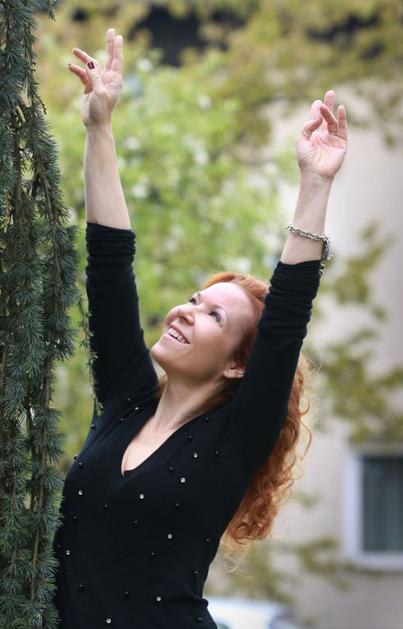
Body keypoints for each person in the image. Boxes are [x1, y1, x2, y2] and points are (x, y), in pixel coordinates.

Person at [53, 27, 348, 628]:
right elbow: (109, 267)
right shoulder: (126, 400)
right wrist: (99, 128)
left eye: (215, 315)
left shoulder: (234, 438)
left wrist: (315, 183)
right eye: (193, 299)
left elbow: (286, 319)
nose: (186, 310)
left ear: (238, 364)